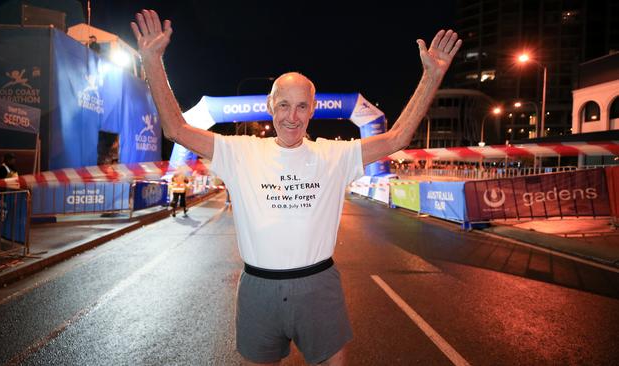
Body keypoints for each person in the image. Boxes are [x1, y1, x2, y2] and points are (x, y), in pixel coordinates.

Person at [131, 9, 461, 365]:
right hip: (258, 289)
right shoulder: (238, 150)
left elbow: (397, 137)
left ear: (313, 109)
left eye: (302, 106)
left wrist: (431, 76)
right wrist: (151, 60)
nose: (292, 115)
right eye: (284, 104)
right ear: (271, 105)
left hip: (319, 287)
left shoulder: (335, 154)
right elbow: (176, 130)